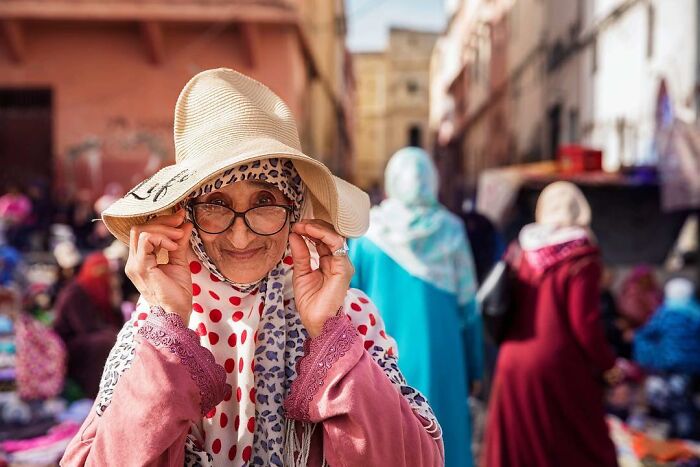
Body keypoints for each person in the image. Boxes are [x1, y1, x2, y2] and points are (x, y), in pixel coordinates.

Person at [61, 69, 443, 466]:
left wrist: (328, 335)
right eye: (215, 204)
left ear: (294, 210)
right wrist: (168, 331)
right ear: (185, 215)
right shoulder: (155, 330)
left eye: (264, 202)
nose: (240, 238)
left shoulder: (347, 317)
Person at [348, 147, 482, 467]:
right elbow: (469, 306)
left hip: (379, 357)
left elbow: (348, 304)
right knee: (444, 436)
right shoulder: (450, 230)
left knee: (386, 440)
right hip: (443, 357)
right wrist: (475, 366)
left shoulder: (369, 232)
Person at [482, 181, 621, 467]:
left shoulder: (522, 249)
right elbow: (585, 324)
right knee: (580, 448)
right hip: (557, 369)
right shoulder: (581, 256)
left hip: (512, 363)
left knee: (521, 454)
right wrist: (609, 365)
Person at [634, 277, 700, 440]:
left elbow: (646, 334)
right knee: (685, 400)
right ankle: (688, 436)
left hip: (669, 365)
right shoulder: (695, 314)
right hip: (693, 367)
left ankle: (673, 437)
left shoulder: (664, 314)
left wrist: (649, 357)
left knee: (669, 401)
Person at [52, 252, 123, 398]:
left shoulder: (104, 292)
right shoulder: (75, 292)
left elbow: (117, 324)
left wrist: (115, 303)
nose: (102, 277)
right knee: (105, 343)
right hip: (70, 344)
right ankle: (96, 394)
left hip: (93, 337)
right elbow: (84, 327)